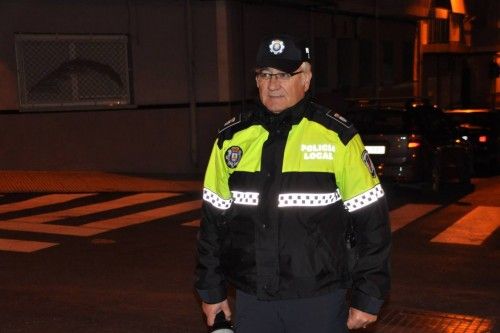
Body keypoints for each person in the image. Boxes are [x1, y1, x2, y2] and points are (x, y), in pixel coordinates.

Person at [195, 33, 391, 332]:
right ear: (256, 80)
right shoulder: (231, 139)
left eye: (285, 74)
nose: (273, 84)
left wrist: (369, 294)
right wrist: (211, 290)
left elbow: (372, 222)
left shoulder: (337, 137)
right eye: (265, 74)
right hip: (252, 298)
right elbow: (212, 222)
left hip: (319, 300)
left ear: (306, 78)